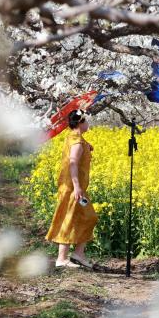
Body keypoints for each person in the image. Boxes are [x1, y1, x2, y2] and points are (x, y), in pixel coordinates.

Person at [46, 109, 99, 268]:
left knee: (85, 217)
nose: (88, 123)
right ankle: (62, 259)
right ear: (80, 122)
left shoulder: (75, 138)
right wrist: (76, 187)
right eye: (86, 121)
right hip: (73, 189)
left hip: (75, 187)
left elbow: (77, 148)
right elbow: (73, 163)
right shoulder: (76, 142)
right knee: (71, 218)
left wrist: (87, 145)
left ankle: (78, 254)